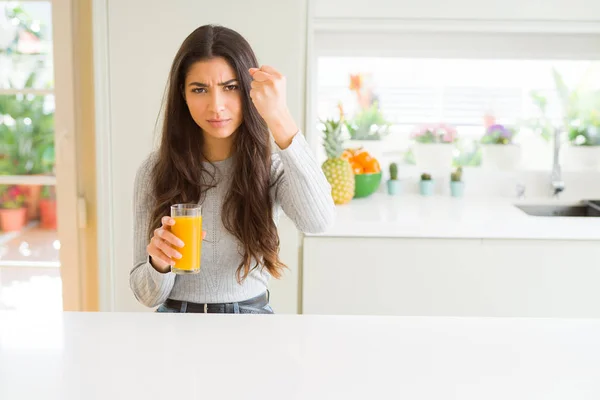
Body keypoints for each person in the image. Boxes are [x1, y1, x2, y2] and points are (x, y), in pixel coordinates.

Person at [130, 25, 335, 314]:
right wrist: (159, 263)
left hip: (251, 319)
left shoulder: (270, 169)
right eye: (200, 89)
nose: (216, 106)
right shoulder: (155, 170)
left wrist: (279, 117)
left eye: (231, 87)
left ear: (251, 92)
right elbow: (146, 295)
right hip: (175, 321)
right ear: (184, 95)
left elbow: (319, 222)